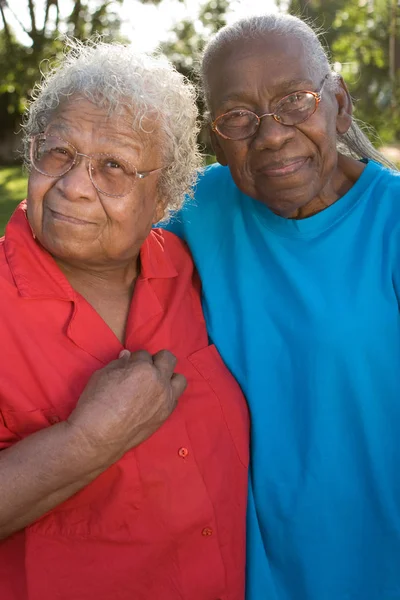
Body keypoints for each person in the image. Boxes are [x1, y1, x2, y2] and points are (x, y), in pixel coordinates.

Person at [0, 40, 249, 600]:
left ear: (163, 198)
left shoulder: (188, 272)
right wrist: (85, 441)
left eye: (112, 166)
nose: (73, 186)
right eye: (57, 152)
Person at [163, 13, 400, 600]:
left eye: (295, 101)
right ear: (214, 136)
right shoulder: (200, 210)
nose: (269, 134)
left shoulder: (390, 226)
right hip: (248, 570)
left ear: (338, 105)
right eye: (237, 115)